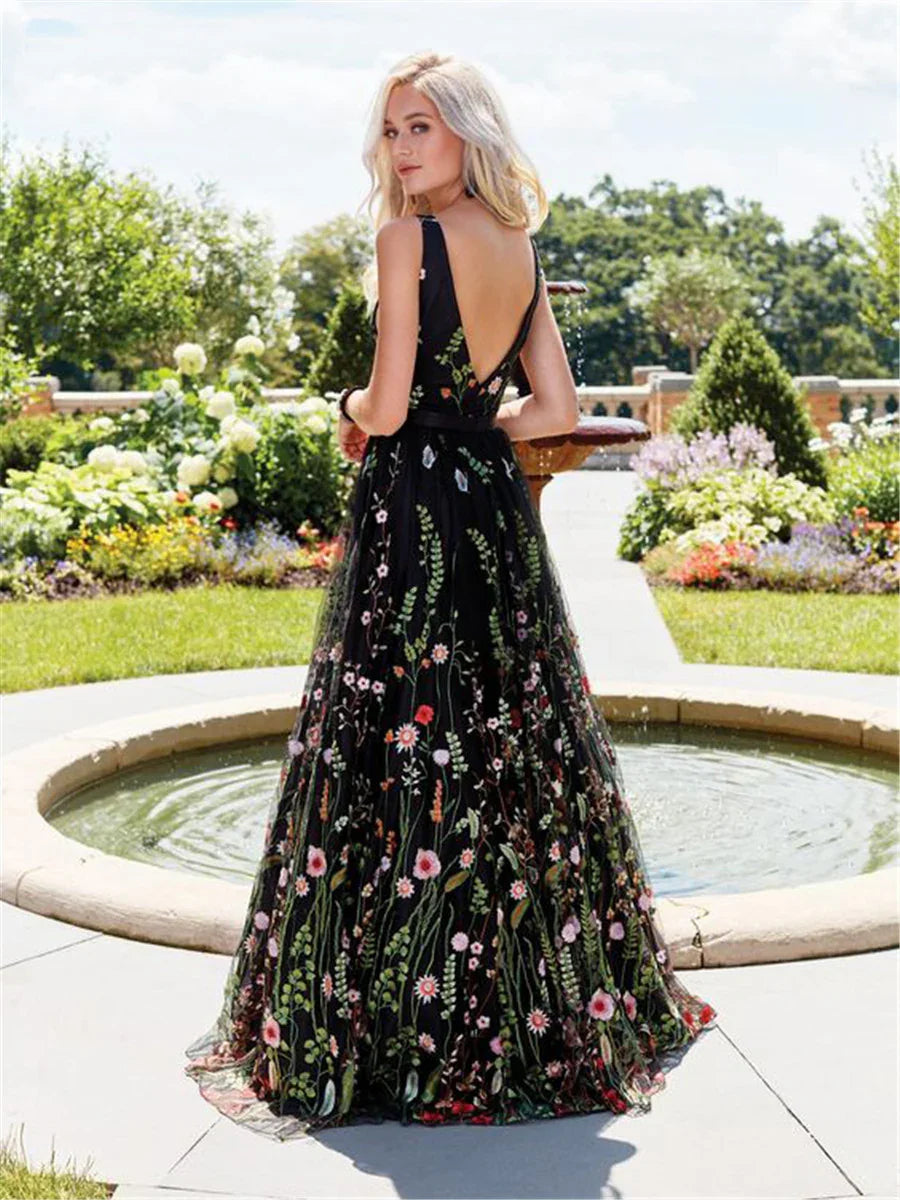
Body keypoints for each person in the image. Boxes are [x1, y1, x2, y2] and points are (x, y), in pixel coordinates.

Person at [183, 50, 717, 1141]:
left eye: (419, 125)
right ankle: (530, 1001)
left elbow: (383, 409)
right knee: (505, 734)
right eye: (391, 130)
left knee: (393, 735)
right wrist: (476, 424)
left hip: (410, 510)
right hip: (489, 510)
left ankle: (397, 1020)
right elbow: (552, 407)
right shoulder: (518, 244)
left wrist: (352, 401)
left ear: (468, 130)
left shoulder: (405, 240)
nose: (401, 147)